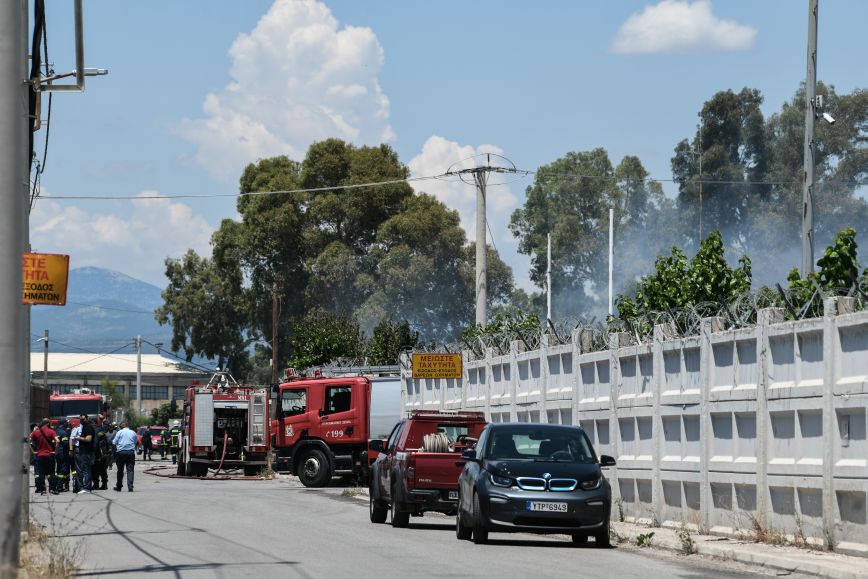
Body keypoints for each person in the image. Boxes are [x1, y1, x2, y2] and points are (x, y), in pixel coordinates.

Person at [29, 419, 58, 495]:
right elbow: (57, 441)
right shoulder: (51, 431)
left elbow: (29, 441)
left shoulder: (36, 432)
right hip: (49, 455)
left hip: (39, 455)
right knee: (51, 473)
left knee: (41, 473)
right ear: (47, 424)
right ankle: (52, 489)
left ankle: (43, 490)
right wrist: (55, 451)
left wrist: (33, 451)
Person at [112, 421, 137, 492]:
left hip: (121, 453)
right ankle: (130, 487)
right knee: (130, 470)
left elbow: (114, 442)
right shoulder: (133, 432)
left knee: (120, 470)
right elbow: (135, 442)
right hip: (130, 452)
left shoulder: (119, 432)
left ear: (121, 427)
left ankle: (119, 486)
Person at [74, 414, 96, 494]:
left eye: (83, 419)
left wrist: (79, 438)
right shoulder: (85, 427)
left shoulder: (88, 427)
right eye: (80, 419)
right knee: (85, 469)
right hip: (84, 451)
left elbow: (88, 439)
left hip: (86, 451)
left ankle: (87, 488)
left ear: (87, 418)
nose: (81, 421)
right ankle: (86, 487)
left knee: (86, 470)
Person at [92, 421, 111, 490]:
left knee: (95, 469)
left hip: (98, 453)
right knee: (103, 470)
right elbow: (106, 441)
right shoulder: (101, 430)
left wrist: (93, 454)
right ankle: (104, 484)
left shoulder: (95, 430)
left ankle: (96, 484)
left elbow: (95, 443)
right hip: (104, 453)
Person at [54, 421, 71, 492]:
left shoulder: (55, 432)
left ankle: (59, 484)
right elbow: (65, 443)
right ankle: (60, 486)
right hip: (63, 454)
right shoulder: (63, 433)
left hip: (57, 453)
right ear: (63, 424)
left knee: (58, 469)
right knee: (63, 469)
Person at [69, 420, 83, 493]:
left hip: (85, 450)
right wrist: (71, 449)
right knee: (78, 468)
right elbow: (71, 439)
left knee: (84, 468)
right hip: (78, 449)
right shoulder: (76, 428)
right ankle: (78, 486)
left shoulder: (87, 428)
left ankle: (84, 486)